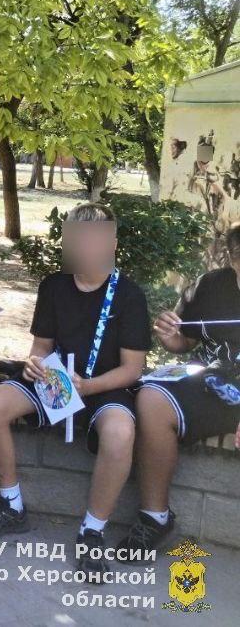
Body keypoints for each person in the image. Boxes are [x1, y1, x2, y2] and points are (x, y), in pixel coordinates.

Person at [0, 203, 150, 579]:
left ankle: (92, 530)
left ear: (111, 244)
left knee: (120, 433)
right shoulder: (53, 286)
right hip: (56, 381)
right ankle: (11, 503)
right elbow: (41, 347)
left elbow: (133, 369)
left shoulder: (129, 296)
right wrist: (35, 363)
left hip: (105, 387)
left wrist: (90, 386)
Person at [116, 221, 240, 557]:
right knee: (152, 398)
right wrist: (171, 337)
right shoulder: (213, 286)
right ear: (233, 260)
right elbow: (184, 341)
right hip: (215, 384)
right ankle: (155, 517)